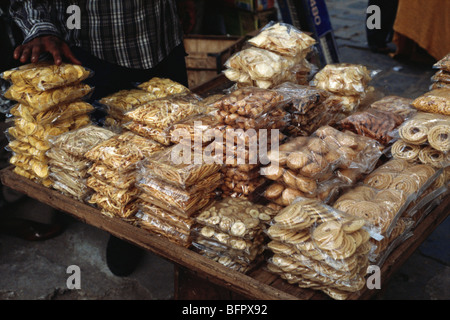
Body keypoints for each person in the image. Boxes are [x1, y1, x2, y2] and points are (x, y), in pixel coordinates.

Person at [8, 0, 189, 277]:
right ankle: (123, 225)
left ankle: (173, 221)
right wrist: (40, 25)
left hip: (160, 35)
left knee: (175, 144)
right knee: (111, 161)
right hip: (95, 48)